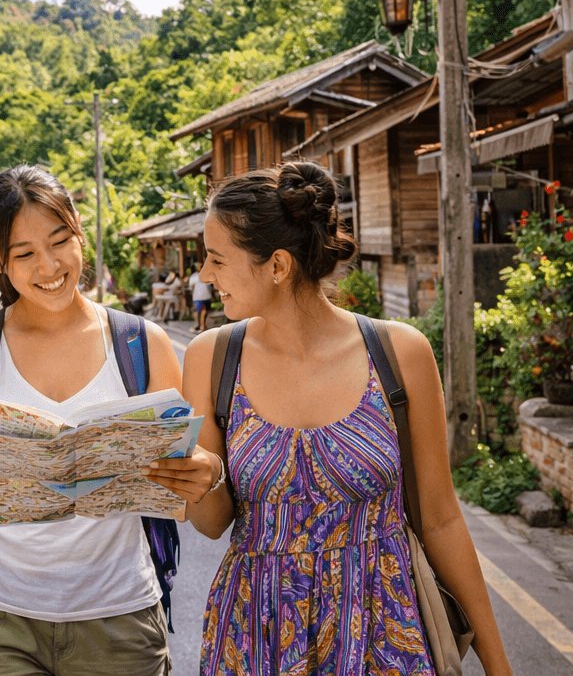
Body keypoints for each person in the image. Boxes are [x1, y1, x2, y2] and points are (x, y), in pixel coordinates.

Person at [182, 162, 514, 676]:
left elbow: (442, 518)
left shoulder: (399, 353)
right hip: (257, 633)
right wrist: (201, 480)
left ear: (276, 265)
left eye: (217, 260)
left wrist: (499, 668)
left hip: (384, 631)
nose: (205, 276)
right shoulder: (212, 357)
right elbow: (212, 523)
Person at [0, 165, 224, 676]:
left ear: (79, 229)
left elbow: (204, 515)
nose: (50, 265)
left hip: (120, 617)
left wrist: (205, 474)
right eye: (24, 254)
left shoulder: (142, 345)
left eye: (60, 241)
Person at [188, 267, 213, 331]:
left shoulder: (194, 276)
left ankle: (198, 325)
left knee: (198, 311)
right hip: (205, 296)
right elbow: (211, 285)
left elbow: (191, 287)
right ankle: (202, 326)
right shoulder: (207, 275)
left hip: (198, 297)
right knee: (203, 311)